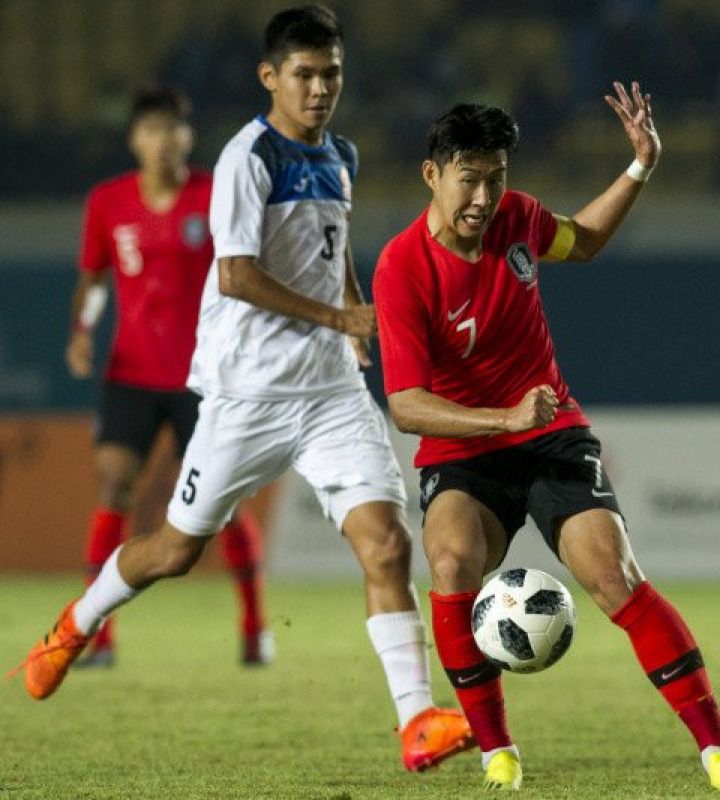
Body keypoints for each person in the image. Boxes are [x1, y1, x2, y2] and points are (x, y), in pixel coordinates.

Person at [18, 4, 473, 775]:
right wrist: (338, 312)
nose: (320, 88)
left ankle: (416, 721)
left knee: (388, 545)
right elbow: (234, 273)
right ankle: (76, 623)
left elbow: (334, 251)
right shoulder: (246, 159)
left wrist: (353, 318)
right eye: (304, 75)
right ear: (271, 77)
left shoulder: (341, 156)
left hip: (330, 392)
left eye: (331, 73)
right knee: (174, 550)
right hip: (246, 397)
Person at [372, 89, 720, 793]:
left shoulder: (517, 218)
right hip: (468, 448)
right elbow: (405, 406)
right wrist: (503, 419)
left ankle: (719, 749)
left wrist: (640, 166)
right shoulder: (402, 267)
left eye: (496, 176)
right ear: (432, 174)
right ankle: (498, 752)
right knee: (452, 561)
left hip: (551, 434)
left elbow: (581, 240)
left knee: (614, 577)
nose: (486, 195)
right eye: (471, 176)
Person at [66, 86, 273, 668]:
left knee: (223, 503)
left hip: (204, 377)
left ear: (188, 136)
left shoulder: (215, 195)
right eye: (151, 130)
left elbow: (247, 270)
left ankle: (255, 629)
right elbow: (96, 277)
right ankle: (98, 636)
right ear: (135, 139)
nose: (163, 141)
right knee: (113, 487)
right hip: (130, 373)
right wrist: (83, 327)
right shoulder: (107, 202)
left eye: (173, 129)